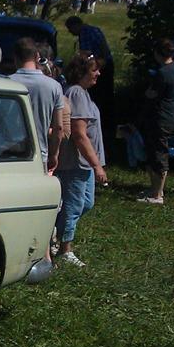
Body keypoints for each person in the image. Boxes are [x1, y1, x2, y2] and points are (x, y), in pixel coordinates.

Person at [55, 53, 107, 267]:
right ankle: (65, 249)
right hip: (76, 162)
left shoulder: (83, 93)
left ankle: (55, 234)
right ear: (82, 71)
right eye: (94, 70)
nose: (98, 73)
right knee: (74, 205)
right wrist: (96, 165)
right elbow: (79, 133)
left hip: (84, 163)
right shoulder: (76, 92)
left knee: (86, 203)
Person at [9, 37, 65, 172]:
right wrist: (54, 154)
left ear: (15, 57)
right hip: (39, 154)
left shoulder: (6, 83)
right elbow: (58, 128)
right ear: (37, 56)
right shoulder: (54, 86)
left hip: (9, 153)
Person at [137, 38, 174, 205]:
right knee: (156, 151)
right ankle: (155, 188)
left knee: (158, 154)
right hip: (170, 116)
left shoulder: (163, 73)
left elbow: (152, 94)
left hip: (161, 117)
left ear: (158, 53)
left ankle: (157, 194)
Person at [65, 16, 114, 119]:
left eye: (70, 29)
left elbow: (85, 55)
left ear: (75, 25)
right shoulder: (94, 29)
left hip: (99, 65)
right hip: (106, 63)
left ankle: (94, 115)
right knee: (107, 94)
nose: (70, 32)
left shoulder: (85, 33)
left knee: (97, 94)